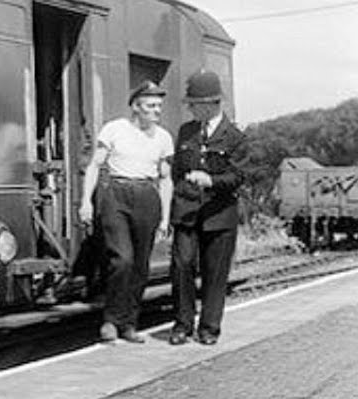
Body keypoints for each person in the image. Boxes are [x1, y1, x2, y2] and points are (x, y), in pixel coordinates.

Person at [79, 81, 173, 344]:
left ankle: (129, 323)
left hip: (147, 196)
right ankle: (111, 321)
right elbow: (94, 166)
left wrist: (165, 217)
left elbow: (166, 179)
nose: (157, 111)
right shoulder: (115, 129)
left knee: (140, 265)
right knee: (122, 260)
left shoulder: (163, 138)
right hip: (116, 195)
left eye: (159, 106)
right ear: (136, 107)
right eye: (151, 106)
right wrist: (86, 201)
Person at [167, 70, 248, 346]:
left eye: (194, 104)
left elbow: (239, 176)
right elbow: (177, 172)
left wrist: (211, 180)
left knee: (215, 273)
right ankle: (182, 324)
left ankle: (209, 328)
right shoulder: (186, 132)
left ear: (212, 104)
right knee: (181, 266)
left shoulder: (235, 137)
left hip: (219, 215)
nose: (190, 108)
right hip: (187, 212)